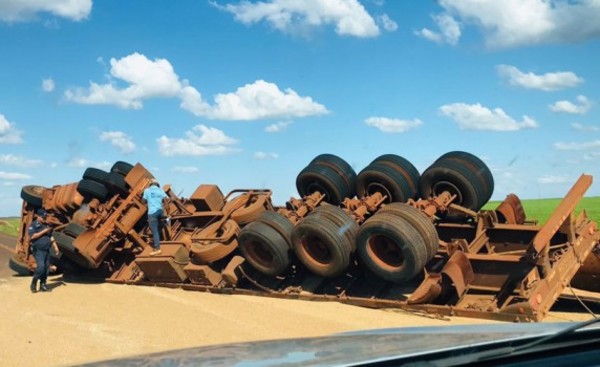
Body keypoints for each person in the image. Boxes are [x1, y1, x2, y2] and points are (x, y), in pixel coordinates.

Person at [28, 208, 59, 293]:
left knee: (46, 268)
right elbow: (32, 236)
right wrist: (44, 231)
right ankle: (33, 284)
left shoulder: (46, 225)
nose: (43, 218)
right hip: (38, 250)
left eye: (44, 217)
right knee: (41, 267)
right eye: (42, 217)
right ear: (38, 216)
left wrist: (55, 246)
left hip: (47, 250)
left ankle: (43, 285)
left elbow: (50, 236)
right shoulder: (33, 225)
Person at [142, 178, 168, 256]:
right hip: (160, 211)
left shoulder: (147, 191)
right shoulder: (161, 190)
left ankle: (157, 249)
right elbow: (166, 202)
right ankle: (165, 239)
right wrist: (168, 213)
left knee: (154, 231)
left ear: (150, 184)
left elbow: (143, 201)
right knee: (161, 225)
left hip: (152, 212)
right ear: (157, 184)